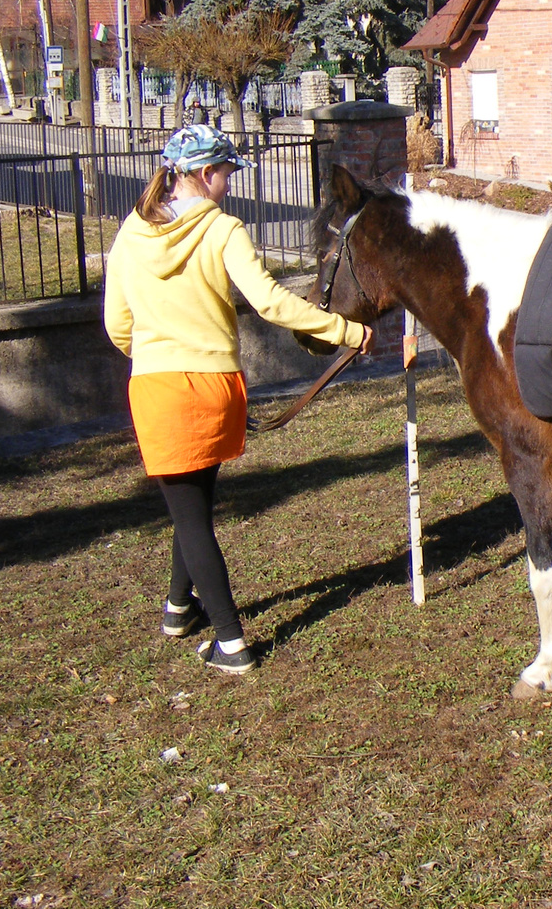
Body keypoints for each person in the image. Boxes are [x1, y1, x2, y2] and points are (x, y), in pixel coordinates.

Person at [104, 125, 372, 674]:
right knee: (194, 510)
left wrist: (155, 349)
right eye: (227, 173)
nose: (230, 184)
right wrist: (346, 330)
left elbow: (117, 325)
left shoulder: (131, 232)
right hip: (216, 385)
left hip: (159, 388)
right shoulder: (224, 230)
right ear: (205, 174)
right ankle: (187, 613)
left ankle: (229, 644)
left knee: (189, 512)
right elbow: (271, 304)